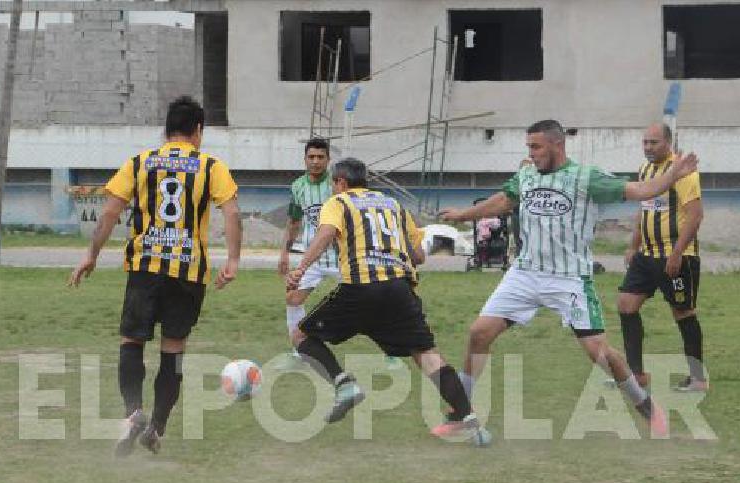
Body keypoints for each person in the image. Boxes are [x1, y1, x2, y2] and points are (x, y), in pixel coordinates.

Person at [439, 119, 700, 438]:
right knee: (479, 333)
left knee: (599, 352)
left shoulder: (586, 177)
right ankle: (460, 413)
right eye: (528, 147)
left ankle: (645, 405)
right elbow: (504, 202)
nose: (531, 153)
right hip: (525, 273)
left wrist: (674, 174)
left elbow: (640, 190)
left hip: (569, 279)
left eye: (536, 147)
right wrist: (463, 215)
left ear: (557, 145)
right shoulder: (526, 175)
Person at [68, 95, 242, 456]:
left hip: (144, 268)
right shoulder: (211, 166)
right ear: (198, 130)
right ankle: (157, 427)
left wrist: (91, 254)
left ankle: (133, 412)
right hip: (188, 271)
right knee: (173, 349)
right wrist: (233, 260)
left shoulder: (140, 162)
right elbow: (231, 214)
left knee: (132, 341)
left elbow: (110, 213)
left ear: (166, 129)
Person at [285, 158, 490, 446]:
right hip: (399, 289)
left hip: (361, 287)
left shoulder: (340, 202)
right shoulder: (393, 205)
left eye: (334, 183)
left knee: (301, 335)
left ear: (341, 183)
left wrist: (300, 268)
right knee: (427, 355)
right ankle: (470, 421)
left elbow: (326, 233)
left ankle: (344, 385)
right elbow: (418, 256)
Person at [274, 139, 404, 370]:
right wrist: (284, 251)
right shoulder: (297, 187)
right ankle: (299, 353)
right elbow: (294, 221)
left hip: (343, 257)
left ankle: (391, 354)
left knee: (369, 305)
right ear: (305, 159)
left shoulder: (338, 186)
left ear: (328, 160)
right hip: (313, 257)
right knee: (292, 297)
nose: (315, 161)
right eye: (311, 157)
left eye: (320, 157)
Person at [617, 123, 707, 392]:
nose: (648, 147)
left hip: (677, 256)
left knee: (683, 313)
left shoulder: (683, 171)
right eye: (645, 142)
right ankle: (637, 375)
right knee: (625, 306)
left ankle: (698, 379)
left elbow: (695, 215)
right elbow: (643, 210)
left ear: (668, 142)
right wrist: (634, 246)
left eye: (653, 142)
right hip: (647, 256)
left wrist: (678, 252)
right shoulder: (646, 170)